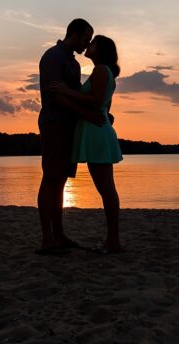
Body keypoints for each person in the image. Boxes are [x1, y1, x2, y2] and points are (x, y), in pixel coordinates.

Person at [48, 34, 123, 254]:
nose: (88, 45)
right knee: (107, 188)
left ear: (100, 49)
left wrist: (65, 90)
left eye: (93, 43)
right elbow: (105, 107)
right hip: (95, 130)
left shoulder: (101, 70)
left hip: (96, 133)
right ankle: (113, 240)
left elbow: (97, 101)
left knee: (106, 189)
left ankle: (113, 241)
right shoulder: (103, 72)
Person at [36, 18, 103, 255]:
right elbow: (56, 97)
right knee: (51, 178)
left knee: (60, 181)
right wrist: (87, 113)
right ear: (74, 33)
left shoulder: (74, 65)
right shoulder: (53, 56)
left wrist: (97, 111)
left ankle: (59, 234)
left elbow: (73, 95)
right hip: (55, 124)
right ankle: (47, 238)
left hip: (69, 127)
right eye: (86, 38)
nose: (87, 44)